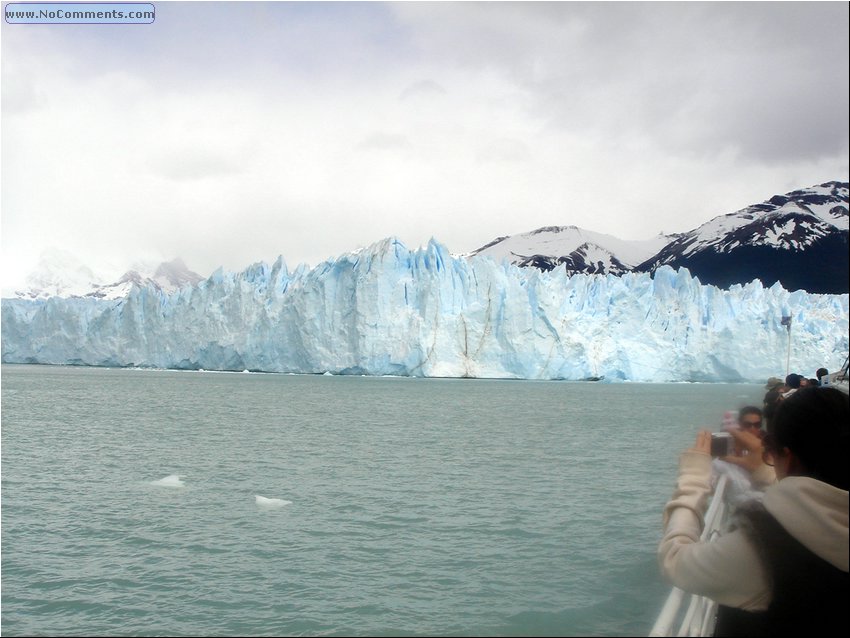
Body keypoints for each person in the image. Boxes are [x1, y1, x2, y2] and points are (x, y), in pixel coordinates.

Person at [658, 387, 849, 635]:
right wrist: (767, 471)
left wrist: (693, 478)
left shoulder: (761, 549)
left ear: (788, 457)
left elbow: (674, 559)